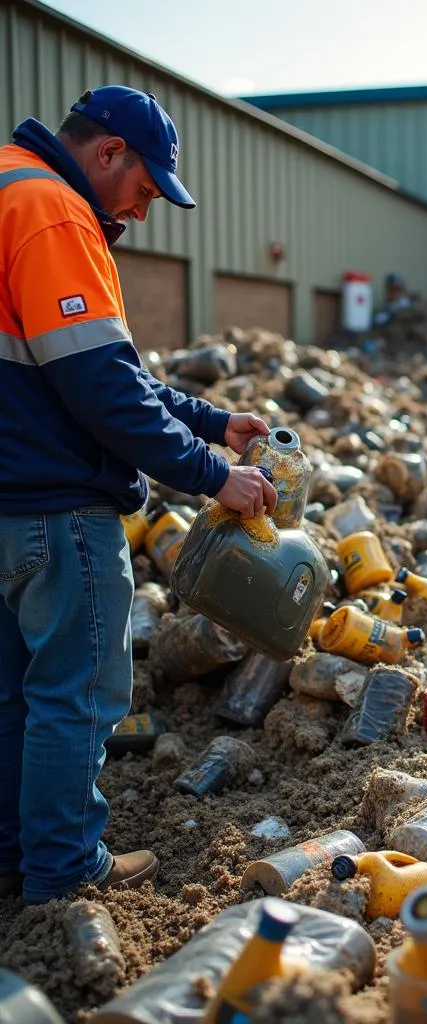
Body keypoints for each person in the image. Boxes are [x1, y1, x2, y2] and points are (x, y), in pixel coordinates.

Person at [0, 86, 278, 904]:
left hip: (6, 502)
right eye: (146, 188)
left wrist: (210, 417)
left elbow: (97, 365)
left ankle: (16, 856)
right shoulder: (53, 210)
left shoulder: (9, 185)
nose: (145, 210)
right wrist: (211, 472)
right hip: (56, 507)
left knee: (15, 692)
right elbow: (101, 388)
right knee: (77, 694)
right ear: (108, 152)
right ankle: (63, 872)